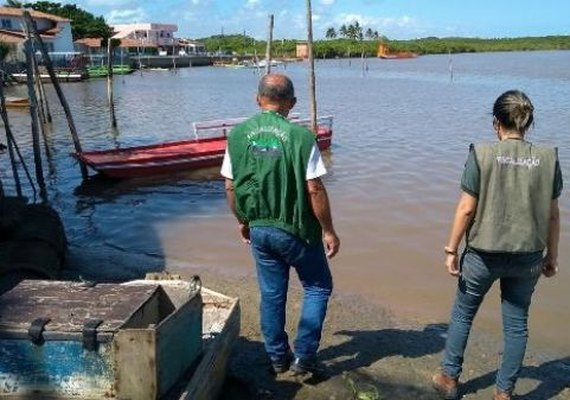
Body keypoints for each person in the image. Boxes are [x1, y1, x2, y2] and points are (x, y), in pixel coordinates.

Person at [432, 90, 563, 400]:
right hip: (528, 256)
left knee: (464, 314)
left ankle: (449, 379)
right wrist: (552, 256)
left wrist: (451, 249)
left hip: (482, 254)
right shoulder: (549, 157)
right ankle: (503, 393)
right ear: (528, 123)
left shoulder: (481, 153)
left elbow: (466, 208)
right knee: (516, 324)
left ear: (496, 123)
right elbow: (554, 216)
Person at [221, 73, 340, 375]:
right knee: (317, 286)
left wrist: (243, 221)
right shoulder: (302, 138)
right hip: (297, 230)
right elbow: (314, 189)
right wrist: (328, 230)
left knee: (272, 294)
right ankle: (304, 356)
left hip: (260, 228)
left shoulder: (236, 135)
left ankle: (276, 356)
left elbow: (230, 187)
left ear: (258, 99)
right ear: (292, 102)